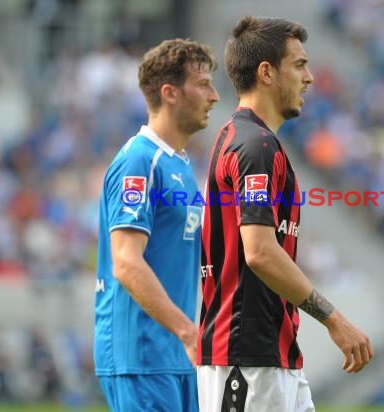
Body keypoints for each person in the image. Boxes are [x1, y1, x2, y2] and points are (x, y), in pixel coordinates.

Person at [197, 16, 373, 412]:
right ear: (266, 73)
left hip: (273, 357)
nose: (309, 78)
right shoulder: (254, 146)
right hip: (246, 359)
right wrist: (333, 319)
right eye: (298, 65)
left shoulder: (247, 140)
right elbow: (258, 251)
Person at [94, 38, 219, 412]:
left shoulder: (179, 165)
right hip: (143, 355)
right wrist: (186, 330)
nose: (214, 96)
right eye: (203, 84)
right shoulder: (139, 161)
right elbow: (127, 262)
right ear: (170, 93)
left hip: (175, 355)